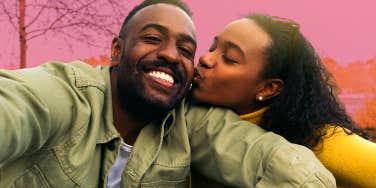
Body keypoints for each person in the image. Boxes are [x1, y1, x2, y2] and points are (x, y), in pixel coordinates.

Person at [0, 1, 336, 187]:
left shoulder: (188, 119)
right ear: (117, 51)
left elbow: (288, 169)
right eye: (152, 38)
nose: (173, 55)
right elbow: (17, 105)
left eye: (186, 49)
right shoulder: (67, 94)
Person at [192, 13, 376, 187]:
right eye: (212, 48)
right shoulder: (189, 118)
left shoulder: (318, 141)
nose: (205, 59)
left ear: (268, 88)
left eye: (229, 58)